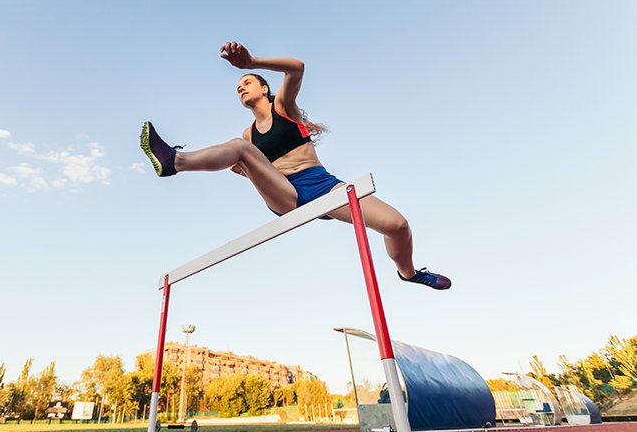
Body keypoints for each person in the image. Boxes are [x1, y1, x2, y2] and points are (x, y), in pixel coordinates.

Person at [140, 42, 451, 290]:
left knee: (397, 225)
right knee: (238, 147)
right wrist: (249, 171)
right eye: (237, 88)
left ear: (264, 88)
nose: (241, 88)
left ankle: (408, 274)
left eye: (247, 82)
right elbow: (253, 169)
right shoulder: (249, 136)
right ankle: (174, 161)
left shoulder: (284, 107)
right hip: (285, 193)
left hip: (321, 183)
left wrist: (252, 62)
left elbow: (297, 68)